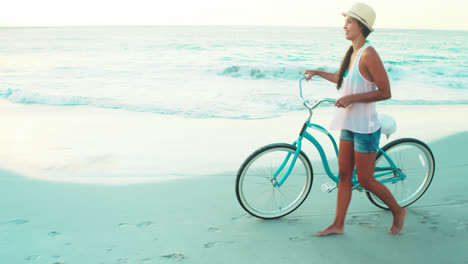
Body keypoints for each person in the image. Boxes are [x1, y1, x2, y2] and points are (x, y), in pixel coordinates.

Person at [303, 2, 406, 236]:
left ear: (361, 25)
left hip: (366, 128)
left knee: (366, 180)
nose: (344, 26)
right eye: (346, 21)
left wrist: (352, 99)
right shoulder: (353, 53)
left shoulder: (369, 54)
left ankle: (398, 211)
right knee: (344, 176)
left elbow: (385, 92)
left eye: (349, 21)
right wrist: (317, 72)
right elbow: (343, 78)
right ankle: (338, 225)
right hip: (349, 125)